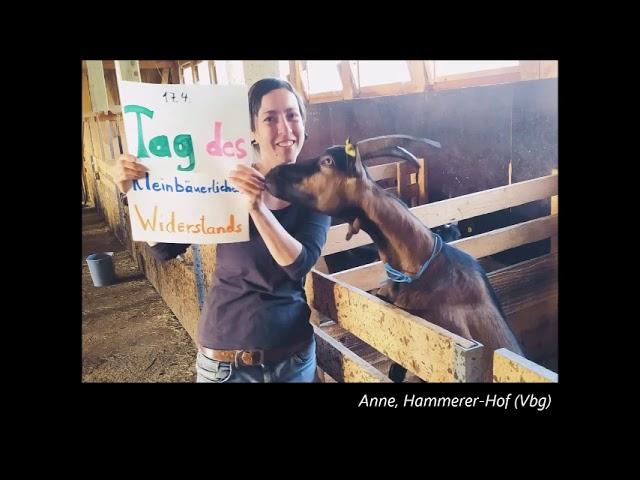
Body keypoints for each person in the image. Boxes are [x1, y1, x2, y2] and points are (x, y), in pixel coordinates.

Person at [115, 78, 331, 382]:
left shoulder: (316, 192)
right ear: (253, 131)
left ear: (303, 123)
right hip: (225, 365)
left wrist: (257, 209)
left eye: (292, 115)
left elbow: (298, 264)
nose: (285, 128)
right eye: (270, 118)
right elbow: (165, 249)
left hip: (292, 359)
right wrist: (135, 193)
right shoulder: (225, 180)